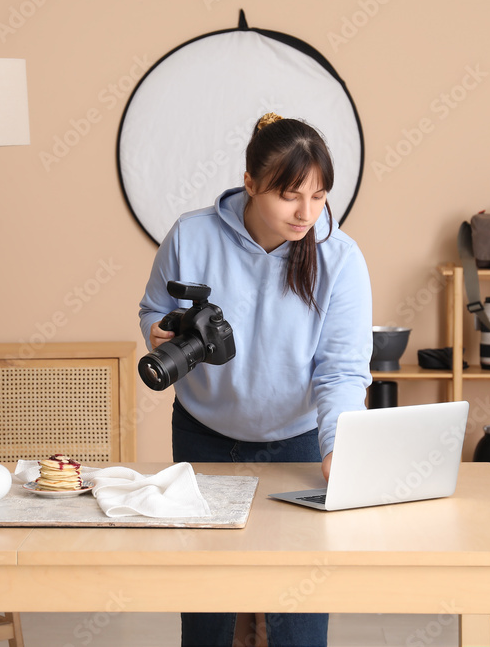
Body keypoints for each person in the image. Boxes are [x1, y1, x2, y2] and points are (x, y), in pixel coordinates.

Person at [138, 113, 373, 647]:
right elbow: (154, 308)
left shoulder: (340, 257)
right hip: (203, 434)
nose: (306, 213)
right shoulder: (191, 235)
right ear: (249, 182)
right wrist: (160, 329)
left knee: (299, 615)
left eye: (319, 196)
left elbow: (340, 370)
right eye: (291, 195)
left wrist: (338, 447)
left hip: (298, 442)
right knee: (206, 611)